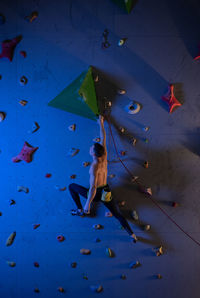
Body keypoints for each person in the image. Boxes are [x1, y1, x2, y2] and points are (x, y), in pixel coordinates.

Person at [68, 115, 137, 242]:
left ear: (94, 153)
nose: (90, 148)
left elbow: (93, 187)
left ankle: (80, 210)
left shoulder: (94, 166)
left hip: (96, 192)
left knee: (72, 187)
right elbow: (103, 137)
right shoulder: (104, 154)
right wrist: (101, 122)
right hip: (106, 190)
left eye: (91, 148)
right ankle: (132, 235)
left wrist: (87, 205)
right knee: (117, 214)